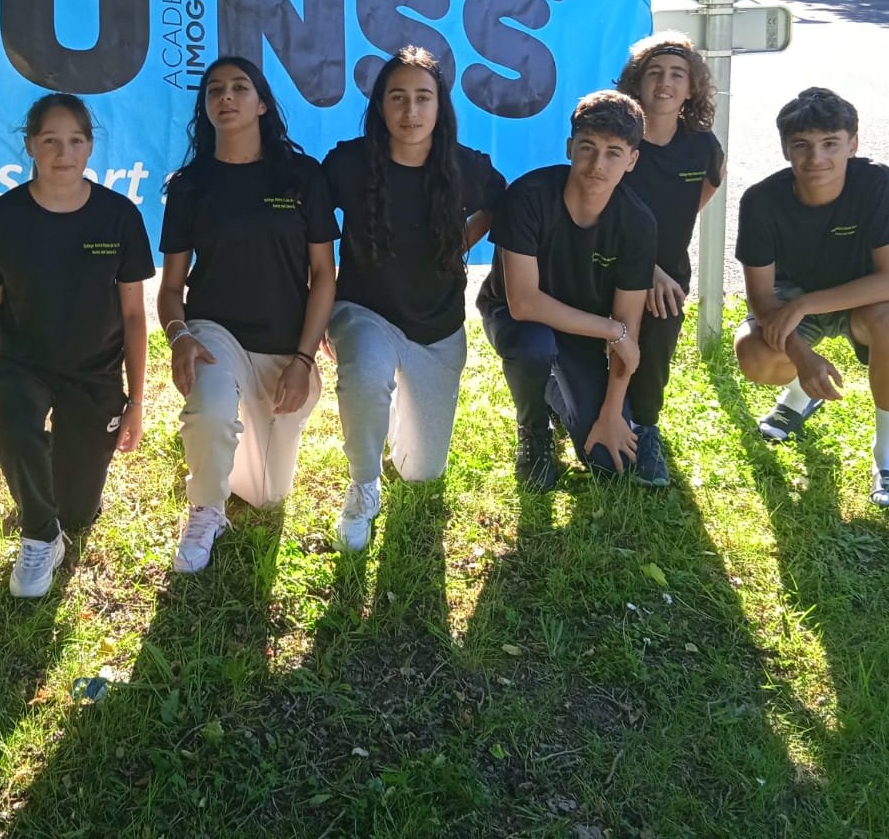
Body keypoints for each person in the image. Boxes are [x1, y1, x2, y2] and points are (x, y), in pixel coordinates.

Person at [0, 94, 153, 597]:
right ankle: (39, 535)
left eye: (74, 141)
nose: (62, 153)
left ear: (90, 147)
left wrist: (136, 402)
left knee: (79, 512)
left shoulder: (119, 217)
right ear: (30, 146)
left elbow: (134, 317)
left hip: (92, 372)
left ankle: (54, 506)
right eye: (50, 140)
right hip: (19, 363)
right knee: (15, 422)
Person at [158, 56, 338, 573]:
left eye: (240, 88)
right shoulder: (190, 185)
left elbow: (324, 275)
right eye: (214, 90)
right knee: (211, 410)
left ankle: (218, 453)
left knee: (267, 496)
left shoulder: (302, 176)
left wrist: (304, 360)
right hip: (217, 334)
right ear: (206, 108)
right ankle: (204, 508)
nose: (226, 97)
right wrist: (179, 337)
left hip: (286, 348)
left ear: (262, 104)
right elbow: (171, 290)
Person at [322, 46, 505, 550]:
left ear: (440, 107)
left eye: (423, 97)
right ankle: (362, 486)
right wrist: (317, 314)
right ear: (379, 106)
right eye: (396, 97)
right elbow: (308, 236)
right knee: (365, 370)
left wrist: (458, 245)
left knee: (422, 471)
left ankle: (395, 416)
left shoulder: (465, 166)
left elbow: (497, 203)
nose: (410, 111)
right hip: (364, 310)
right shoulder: (347, 164)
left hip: (436, 325)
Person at [734, 87, 889, 507]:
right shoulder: (761, 200)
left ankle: (888, 459)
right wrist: (802, 356)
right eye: (801, 145)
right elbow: (762, 299)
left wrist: (804, 306)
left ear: (853, 143)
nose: (816, 159)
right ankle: (800, 395)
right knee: (755, 358)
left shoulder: (876, 182)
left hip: (859, 299)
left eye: (830, 144)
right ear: (785, 149)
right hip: (788, 300)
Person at [477, 90, 667, 489]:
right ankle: (534, 432)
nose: (598, 164)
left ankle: (555, 390)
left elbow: (628, 324)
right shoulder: (528, 197)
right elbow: (524, 302)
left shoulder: (638, 222)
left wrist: (612, 413)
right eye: (588, 147)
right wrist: (612, 332)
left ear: (632, 160)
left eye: (614, 152)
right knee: (534, 346)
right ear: (569, 147)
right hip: (518, 320)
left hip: (583, 329)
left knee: (608, 463)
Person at [615, 33, 725, 461]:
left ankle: (645, 427)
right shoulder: (619, 138)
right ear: (637, 83)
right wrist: (644, 268)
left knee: (658, 328)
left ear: (692, 87)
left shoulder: (703, 147)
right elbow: (599, 212)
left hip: (668, 277)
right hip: (612, 264)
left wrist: (660, 268)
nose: (664, 82)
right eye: (654, 72)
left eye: (677, 74)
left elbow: (706, 190)